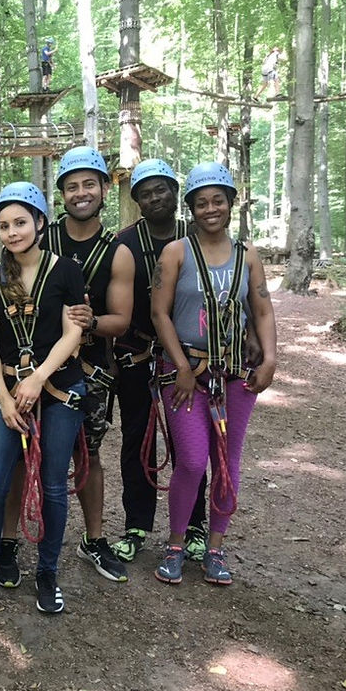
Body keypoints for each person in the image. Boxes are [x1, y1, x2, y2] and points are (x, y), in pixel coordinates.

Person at [0, 182, 86, 614]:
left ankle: (47, 572)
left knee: (52, 485)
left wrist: (38, 378)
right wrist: (6, 400)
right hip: (7, 388)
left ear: (41, 223)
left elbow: (73, 333)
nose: (12, 232)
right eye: (4, 225)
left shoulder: (65, 270)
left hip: (59, 384)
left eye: (21, 222)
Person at [151, 162, 276, 585]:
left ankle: (216, 548)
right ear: (190, 208)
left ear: (230, 204)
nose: (210, 209)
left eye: (217, 201)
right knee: (190, 460)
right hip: (185, 372)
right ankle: (175, 543)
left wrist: (271, 358)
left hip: (236, 372)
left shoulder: (248, 256)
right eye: (201, 202)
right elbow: (159, 313)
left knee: (226, 462)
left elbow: (261, 309)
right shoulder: (177, 253)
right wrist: (181, 367)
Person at [111, 159, 209, 564]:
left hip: (188, 358)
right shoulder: (125, 243)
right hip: (136, 353)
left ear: (174, 191)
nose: (155, 198)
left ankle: (194, 525)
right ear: (137, 201)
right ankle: (137, 524)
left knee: (191, 444)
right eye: (146, 193)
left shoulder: (199, 237)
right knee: (137, 439)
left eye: (161, 190)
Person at [44, 146, 135, 584]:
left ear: (104, 189)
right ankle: (27, 537)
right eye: (72, 186)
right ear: (61, 194)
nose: (81, 193)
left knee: (89, 453)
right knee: (35, 450)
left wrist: (91, 321)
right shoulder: (43, 241)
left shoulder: (116, 252)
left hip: (94, 368)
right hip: (41, 363)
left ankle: (94, 538)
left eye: (88, 185)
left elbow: (121, 319)